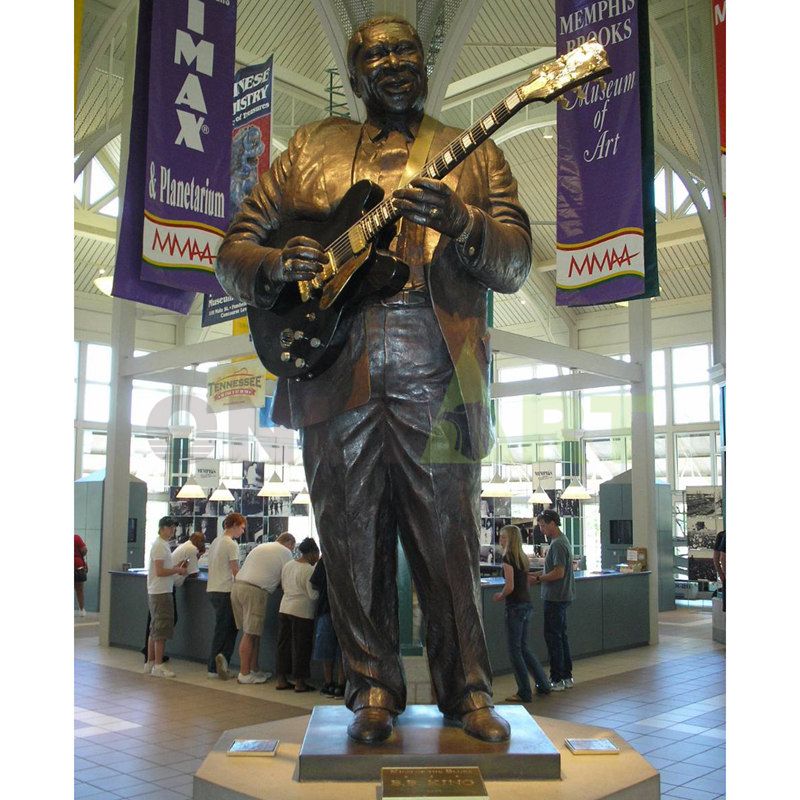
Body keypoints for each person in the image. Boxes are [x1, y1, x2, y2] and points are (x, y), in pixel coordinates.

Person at [216, 14, 531, 745]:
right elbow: (233, 249)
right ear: (355, 77)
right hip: (334, 364)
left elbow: (515, 260)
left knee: (450, 540)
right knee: (350, 539)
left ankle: (469, 690)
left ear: (424, 65)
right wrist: (272, 266)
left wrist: (462, 220)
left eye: (407, 51)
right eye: (377, 55)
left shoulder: (476, 155)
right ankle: (373, 690)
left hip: (442, 372)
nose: (394, 64)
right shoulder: (308, 151)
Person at [492, 525, 551, 702]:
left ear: (510, 539)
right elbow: (524, 581)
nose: (500, 540)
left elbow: (510, 586)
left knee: (515, 650)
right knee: (524, 647)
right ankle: (543, 683)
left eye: (503, 537)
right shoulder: (522, 557)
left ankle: (524, 691)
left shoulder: (507, 558)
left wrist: (500, 595)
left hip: (514, 607)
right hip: (526, 605)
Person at [231, 531, 295, 684]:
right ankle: (244, 673)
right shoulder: (285, 552)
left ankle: (254, 669)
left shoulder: (263, 546)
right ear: (290, 544)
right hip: (255, 590)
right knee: (250, 633)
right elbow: (287, 576)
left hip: (238, 587)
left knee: (253, 632)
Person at [531, 510, 575, 691]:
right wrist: (537, 575)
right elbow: (555, 570)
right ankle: (566, 675)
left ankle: (556, 678)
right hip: (562, 596)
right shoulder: (563, 541)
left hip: (555, 597)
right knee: (561, 637)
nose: (541, 530)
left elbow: (558, 573)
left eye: (542, 525)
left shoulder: (557, 545)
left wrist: (539, 579)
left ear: (552, 524)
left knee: (553, 638)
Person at [275, 537, 321, 692]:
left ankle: (281, 679)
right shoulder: (309, 569)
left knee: (284, 645)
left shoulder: (288, 565)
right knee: (301, 647)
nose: (317, 558)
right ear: (312, 553)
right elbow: (312, 595)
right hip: (302, 611)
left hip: (284, 607)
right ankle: (300, 682)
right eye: (317, 554)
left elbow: (282, 585)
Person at [144, 517, 187, 678]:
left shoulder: (162, 545)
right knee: (161, 629)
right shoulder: (160, 546)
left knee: (155, 628)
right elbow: (160, 571)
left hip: (159, 590)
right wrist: (177, 570)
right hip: (161, 592)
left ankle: (150, 662)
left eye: (174, 528)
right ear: (162, 528)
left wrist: (174, 568)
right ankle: (158, 664)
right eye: (170, 528)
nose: (173, 531)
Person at [207, 513, 246, 680]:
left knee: (223, 629)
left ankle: (217, 666)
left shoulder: (216, 541)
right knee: (227, 630)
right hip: (225, 590)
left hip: (213, 588)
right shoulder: (231, 544)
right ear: (235, 525)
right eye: (242, 528)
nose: (243, 531)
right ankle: (216, 668)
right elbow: (235, 570)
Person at [310, 555, 346, 698]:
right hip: (346, 610)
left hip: (326, 607)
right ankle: (341, 684)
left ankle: (328, 682)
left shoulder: (325, 559)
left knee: (325, 647)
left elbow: (314, 583)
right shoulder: (349, 556)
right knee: (344, 648)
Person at [74, 533, 88, 617]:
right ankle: (81, 609)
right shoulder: (76, 538)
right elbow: (84, 550)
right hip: (77, 565)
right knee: (79, 589)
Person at [712, 529, 726, 611]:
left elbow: (716, 558)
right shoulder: (723, 535)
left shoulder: (722, 534)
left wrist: (722, 574)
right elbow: (722, 558)